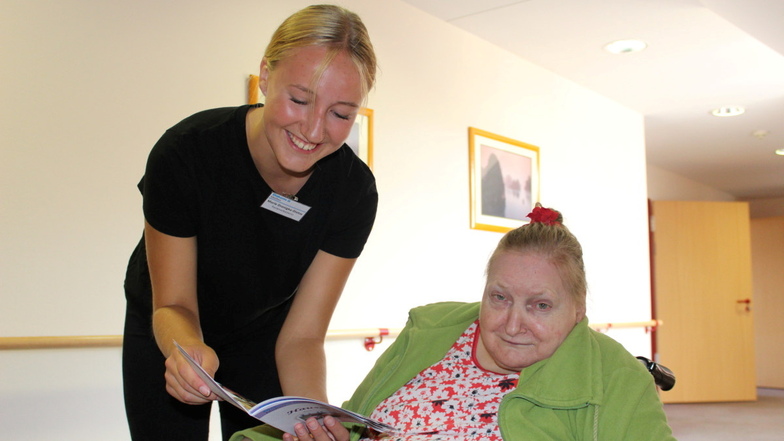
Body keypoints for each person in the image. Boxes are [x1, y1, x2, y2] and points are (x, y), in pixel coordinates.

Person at [121, 5, 379, 440]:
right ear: (265, 75)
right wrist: (186, 352)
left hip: (267, 336)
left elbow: (302, 337)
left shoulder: (352, 192)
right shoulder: (188, 152)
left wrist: (313, 421)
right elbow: (174, 304)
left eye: (341, 114)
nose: (314, 130)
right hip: (173, 327)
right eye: (299, 99)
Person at [232, 204, 675, 441]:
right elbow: (355, 421)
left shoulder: (614, 377)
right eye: (499, 297)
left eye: (540, 306)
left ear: (578, 310)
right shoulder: (431, 332)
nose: (512, 323)